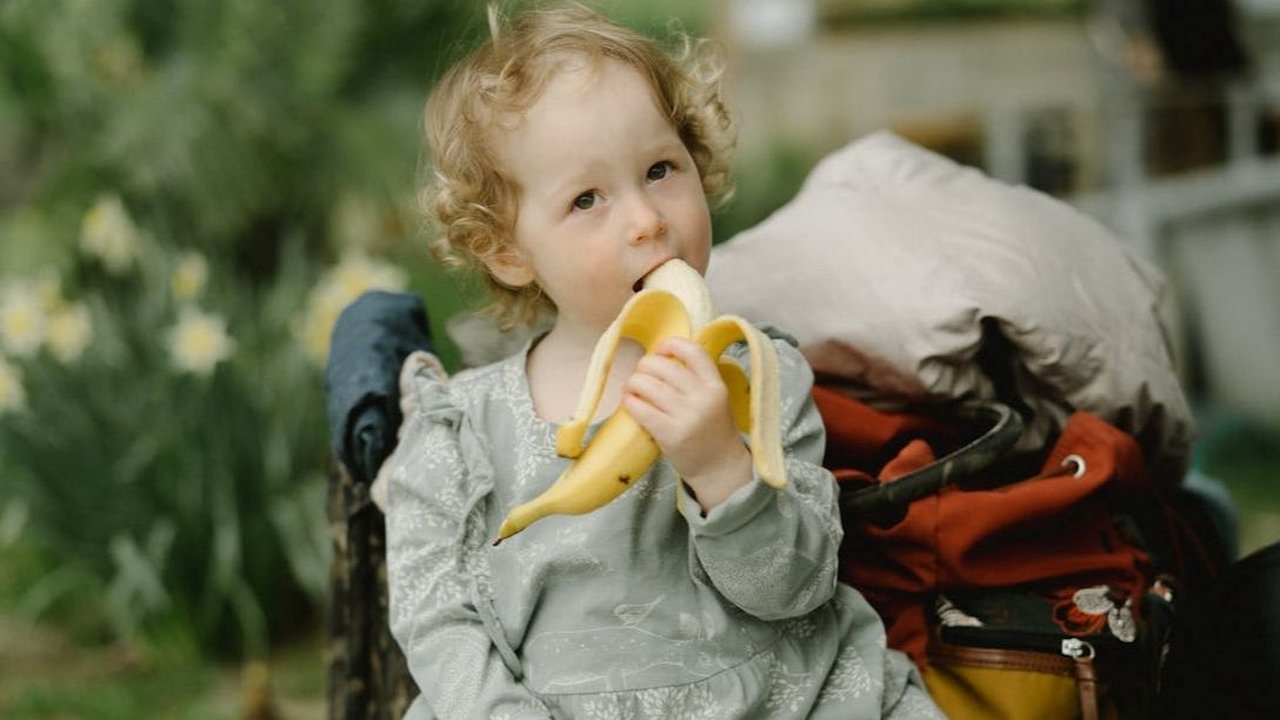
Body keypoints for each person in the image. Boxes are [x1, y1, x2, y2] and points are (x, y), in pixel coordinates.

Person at [377, 4, 943, 718]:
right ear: (507, 252)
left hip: (777, 696)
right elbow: (436, 621)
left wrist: (720, 467)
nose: (646, 218)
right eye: (587, 199)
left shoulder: (756, 375)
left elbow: (797, 587)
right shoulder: (458, 430)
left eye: (660, 169)